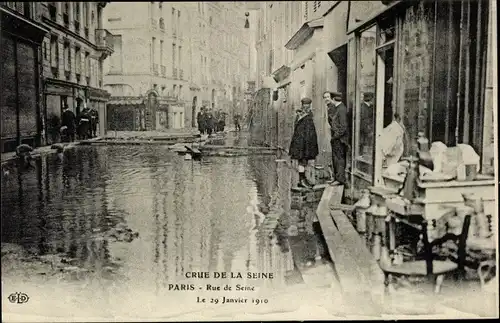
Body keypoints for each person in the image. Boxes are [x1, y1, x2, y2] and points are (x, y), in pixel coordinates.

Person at [289, 97, 319, 189]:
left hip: (305, 143)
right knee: (302, 161)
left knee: (303, 161)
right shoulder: (303, 116)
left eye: (308, 106)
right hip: (302, 143)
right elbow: (301, 131)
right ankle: (302, 180)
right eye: (306, 106)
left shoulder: (303, 115)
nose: (307, 108)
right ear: (303, 106)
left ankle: (302, 179)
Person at [324, 91, 348, 186]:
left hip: (340, 139)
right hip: (337, 138)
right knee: (336, 158)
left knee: (339, 159)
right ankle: (336, 177)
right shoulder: (339, 108)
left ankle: (340, 179)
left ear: (333, 99)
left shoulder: (341, 109)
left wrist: (335, 136)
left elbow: (343, 126)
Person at [360, 92, 374, 157]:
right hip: (366, 131)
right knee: (364, 145)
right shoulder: (363, 107)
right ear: (370, 99)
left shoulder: (369, 107)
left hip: (368, 130)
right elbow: (364, 121)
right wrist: (369, 130)